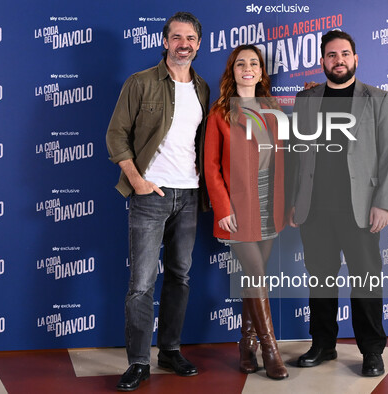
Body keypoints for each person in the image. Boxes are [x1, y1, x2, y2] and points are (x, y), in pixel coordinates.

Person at [106, 12, 209, 391]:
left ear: (198, 44)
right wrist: (137, 181)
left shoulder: (202, 89)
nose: (184, 44)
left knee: (180, 277)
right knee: (142, 284)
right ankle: (138, 361)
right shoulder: (141, 82)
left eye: (191, 38)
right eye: (177, 37)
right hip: (150, 196)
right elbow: (116, 135)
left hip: (190, 195)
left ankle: (169, 350)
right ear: (165, 42)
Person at [288, 30, 388, 377]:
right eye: (332, 55)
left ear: (356, 58)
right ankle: (323, 344)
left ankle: (371, 351)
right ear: (323, 61)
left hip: (361, 209)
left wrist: (383, 203)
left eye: (345, 54)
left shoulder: (378, 98)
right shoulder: (306, 99)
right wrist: (295, 201)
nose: (339, 60)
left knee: (367, 280)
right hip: (314, 208)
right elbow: (296, 152)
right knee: (320, 279)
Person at [204, 45, 288, 380]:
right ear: (232, 71)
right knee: (256, 274)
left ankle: (246, 344)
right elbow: (210, 167)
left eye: (254, 63)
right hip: (239, 205)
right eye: (241, 64)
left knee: (255, 278)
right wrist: (222, 207)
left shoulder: (272, 108)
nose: (248, 68)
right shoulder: (220, 113)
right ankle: (270, 350)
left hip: (269, 202)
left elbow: (284, 158)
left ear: (261, 72)